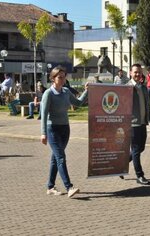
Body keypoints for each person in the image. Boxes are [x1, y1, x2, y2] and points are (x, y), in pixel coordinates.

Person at [40, 66, 88, 198]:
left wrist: (86, 91)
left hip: (65, 129)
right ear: (53, 79)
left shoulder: (66, 91)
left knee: (56, 158)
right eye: (59, 77)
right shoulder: (48, 94)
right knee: (61, 157)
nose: (62, 79)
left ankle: (50, 186)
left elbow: (78, 103)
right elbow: (43, 115)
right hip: (52, 129)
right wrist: (43, 133)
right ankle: (69, 187)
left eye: (63, 76)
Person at [123, 64, 150, 185]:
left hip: (142, 123)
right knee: (136, 150)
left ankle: (121, 165)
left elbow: (148, 106)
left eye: (139, 72)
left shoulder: (144, 88)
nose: (137, 74)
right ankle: (140, 176)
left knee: (141, 148)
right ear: (130, 73)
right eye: (135, 72)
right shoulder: (126, 88)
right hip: (132, 124)